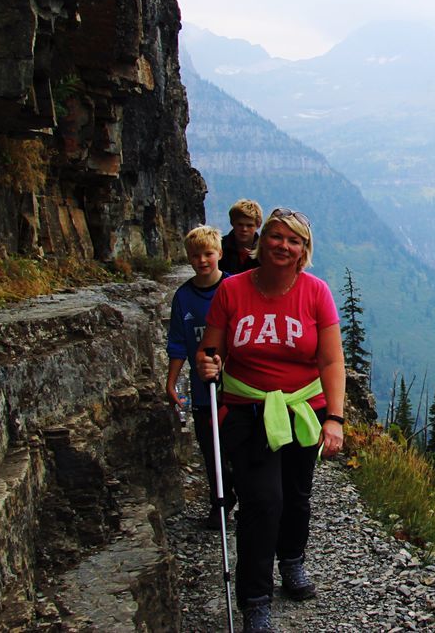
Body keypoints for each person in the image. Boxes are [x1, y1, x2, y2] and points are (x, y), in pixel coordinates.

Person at [196, 207, 345, 632]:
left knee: (297, 497)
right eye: (276, 237)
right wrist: (208, 364)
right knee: (263, 502)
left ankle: (292, 560)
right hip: (246, 410)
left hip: (302, 410)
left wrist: (334, 418)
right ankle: (255, 600)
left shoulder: (316, 293)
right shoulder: (232, 290)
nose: (283, 245)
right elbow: (211, 349)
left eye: (294, 240)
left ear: (304, 251)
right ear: (261, 242)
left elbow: (332, 360)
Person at [164, 225, 236, 528]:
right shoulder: (183, 298)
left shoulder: (233, 288)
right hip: (202, 389)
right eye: (196, 256)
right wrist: (171, 381)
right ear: (189, 259)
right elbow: (178, 341)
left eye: (208, 253)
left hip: (235, 389)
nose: (203, 260)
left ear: (219, 253)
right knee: (211, 451)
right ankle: (219, 502)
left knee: (237, 447)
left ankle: (247, 498)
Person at [220, 198, 263, 276]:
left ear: (258, 225)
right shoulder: (219, 246)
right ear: (232, 223)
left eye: (249, 225)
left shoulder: (265, 250)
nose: (244, 229)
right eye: (240, 224)